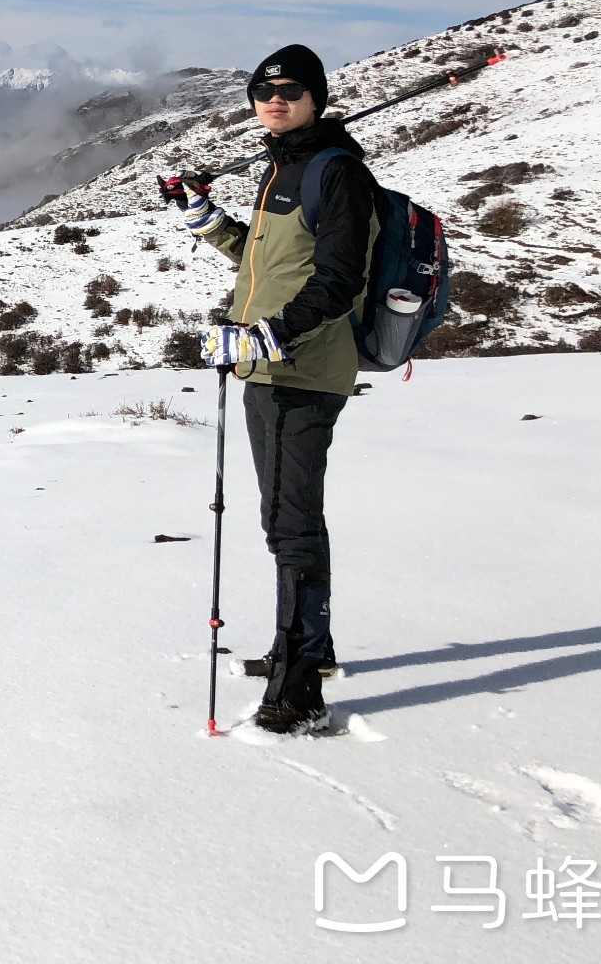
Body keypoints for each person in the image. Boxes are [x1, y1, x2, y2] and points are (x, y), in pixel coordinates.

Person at [162, 44, 378, 735]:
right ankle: (306, 648)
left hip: (301, 372)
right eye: (263, 90)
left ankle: (301, 683)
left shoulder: (337, 173)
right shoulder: (282, 167)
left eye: (289, 90)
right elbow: (265, 261)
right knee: (282, 518)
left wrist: (267, 335)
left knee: (291, 523)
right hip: (266, 367)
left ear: (316, 95)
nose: (275, 100)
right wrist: (206, 220)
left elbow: (339, 280)